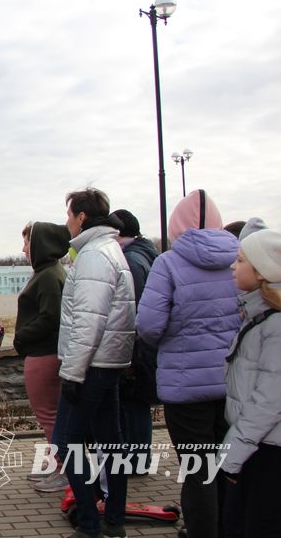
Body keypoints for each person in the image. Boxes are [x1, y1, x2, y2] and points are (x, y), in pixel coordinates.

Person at [137, 189, 239, 538]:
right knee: (229, 465)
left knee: (198, 471)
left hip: (185, 388)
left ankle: (200, 532)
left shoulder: (167, 264)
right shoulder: (238, 259)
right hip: (232, 384)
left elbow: (148, 327)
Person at [53, 188, 135, 538]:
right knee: (110, 440)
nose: (67, 222)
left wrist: (72, 373)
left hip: (91, 365)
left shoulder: (93, 256)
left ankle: (90, 522)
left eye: (69, 215)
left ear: (81, 217)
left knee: (69, 443)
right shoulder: (109, 249)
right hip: (108, 362)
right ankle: (113, 518)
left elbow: (88, 320)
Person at [222, 225, 281, 537]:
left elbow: (270, 401)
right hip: (257, 448)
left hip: (267, 452)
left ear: (262, 271)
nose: (233, 266)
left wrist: (233, 454)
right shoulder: (257, 316)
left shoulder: (275, 324)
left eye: (241, 260)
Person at [13, 222, 70, 492]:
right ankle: (55, 464)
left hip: (43, 353)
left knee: (49, 414)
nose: (24, 249)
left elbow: (50, 316)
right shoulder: (48, 272)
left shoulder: (47, 275)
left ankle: (62, 469)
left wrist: (22, 335)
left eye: (27, 242)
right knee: (53, 413)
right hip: (46, 351)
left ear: (40, 244)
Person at [111, 209, 160, 473]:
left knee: (133, 406)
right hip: (145, 346)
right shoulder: (146, 254)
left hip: (136, 348)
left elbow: (133, 309)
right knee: (136, 405)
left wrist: (128, 353)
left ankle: (135, 461)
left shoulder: (130, 260)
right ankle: (138, 459)